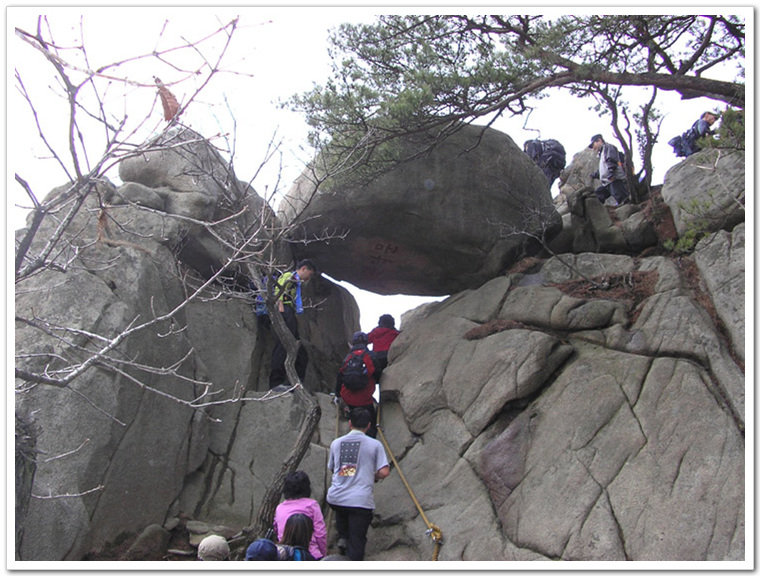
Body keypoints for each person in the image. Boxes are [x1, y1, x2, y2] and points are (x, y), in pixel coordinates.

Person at [326, 407, 390, 561]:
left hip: (336, 497)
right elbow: (384, 472)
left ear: (349, 423)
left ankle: (343, 536)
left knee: (343, 508)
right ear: (368, 425)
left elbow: (333, 468)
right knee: (357, 540)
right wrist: (370, 475)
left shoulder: (337, 443)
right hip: (360, 501)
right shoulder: (374, 445)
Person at [268, 259, 317, 390]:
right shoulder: (289, 276)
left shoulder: (296, 282)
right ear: (304, 269)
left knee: (296, 347)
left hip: (289, 311)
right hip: (284, 311)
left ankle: (294, 382)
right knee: (284, 344)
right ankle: (275, 382)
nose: (309, 278)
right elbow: (279, 289)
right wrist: (280, 306)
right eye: (309, 274)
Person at [273, 471, 327, 559]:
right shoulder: (312, 505)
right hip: (310, 554)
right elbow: (320, 533)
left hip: (285, 554)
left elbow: (277, 531)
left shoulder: (280, 508)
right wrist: (323, 555)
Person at [334, 332, 378, 438]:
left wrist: (337, 395)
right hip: (365, 399)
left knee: (353, 411)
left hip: (348, 398)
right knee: (372, 419)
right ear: (366, 342)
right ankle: (370, 435)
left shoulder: (348, 358)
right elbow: (377, 374)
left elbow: (340, 376)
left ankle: (351, 418)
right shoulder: (371, 356)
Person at [588, 134, 629, 206]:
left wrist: (611, 174)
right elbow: (602, 169)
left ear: (599, 140)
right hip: (607, 182)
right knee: (597, 194)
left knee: (622, 199)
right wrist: (594, 175)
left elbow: (612, 160)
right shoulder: (602, 153)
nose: (593, 148)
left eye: (593, 144)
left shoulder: (608, 147)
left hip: (614, 179)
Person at [367, 314, 400, 380]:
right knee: (388, 378)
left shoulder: (375, 332)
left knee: (377, 377)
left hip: (376, 358)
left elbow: (366, 339)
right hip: (388, 357)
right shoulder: (394, 333)